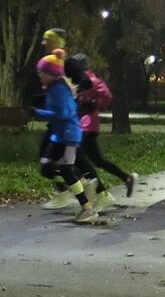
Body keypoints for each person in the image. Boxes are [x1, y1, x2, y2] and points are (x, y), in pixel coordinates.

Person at [29, 50, 97, 223]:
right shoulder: (54, 88)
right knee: (53, 168)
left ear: (51, 73)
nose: (40, 76)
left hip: (68, 135)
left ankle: (87, 204)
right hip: (63, 134)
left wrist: (38, 113)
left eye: (41, 73)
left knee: (52, 167)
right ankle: (85, 200)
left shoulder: (58, 89)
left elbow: (62, 113)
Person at [71, 53, 136, 211]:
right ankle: (125, 178)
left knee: (78, 161)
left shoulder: (92, 81)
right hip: (80, 124)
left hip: (88, 125)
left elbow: (107, 96)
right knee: (97, 160)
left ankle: (99, 193)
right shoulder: (76, 81)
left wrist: (94, 103)